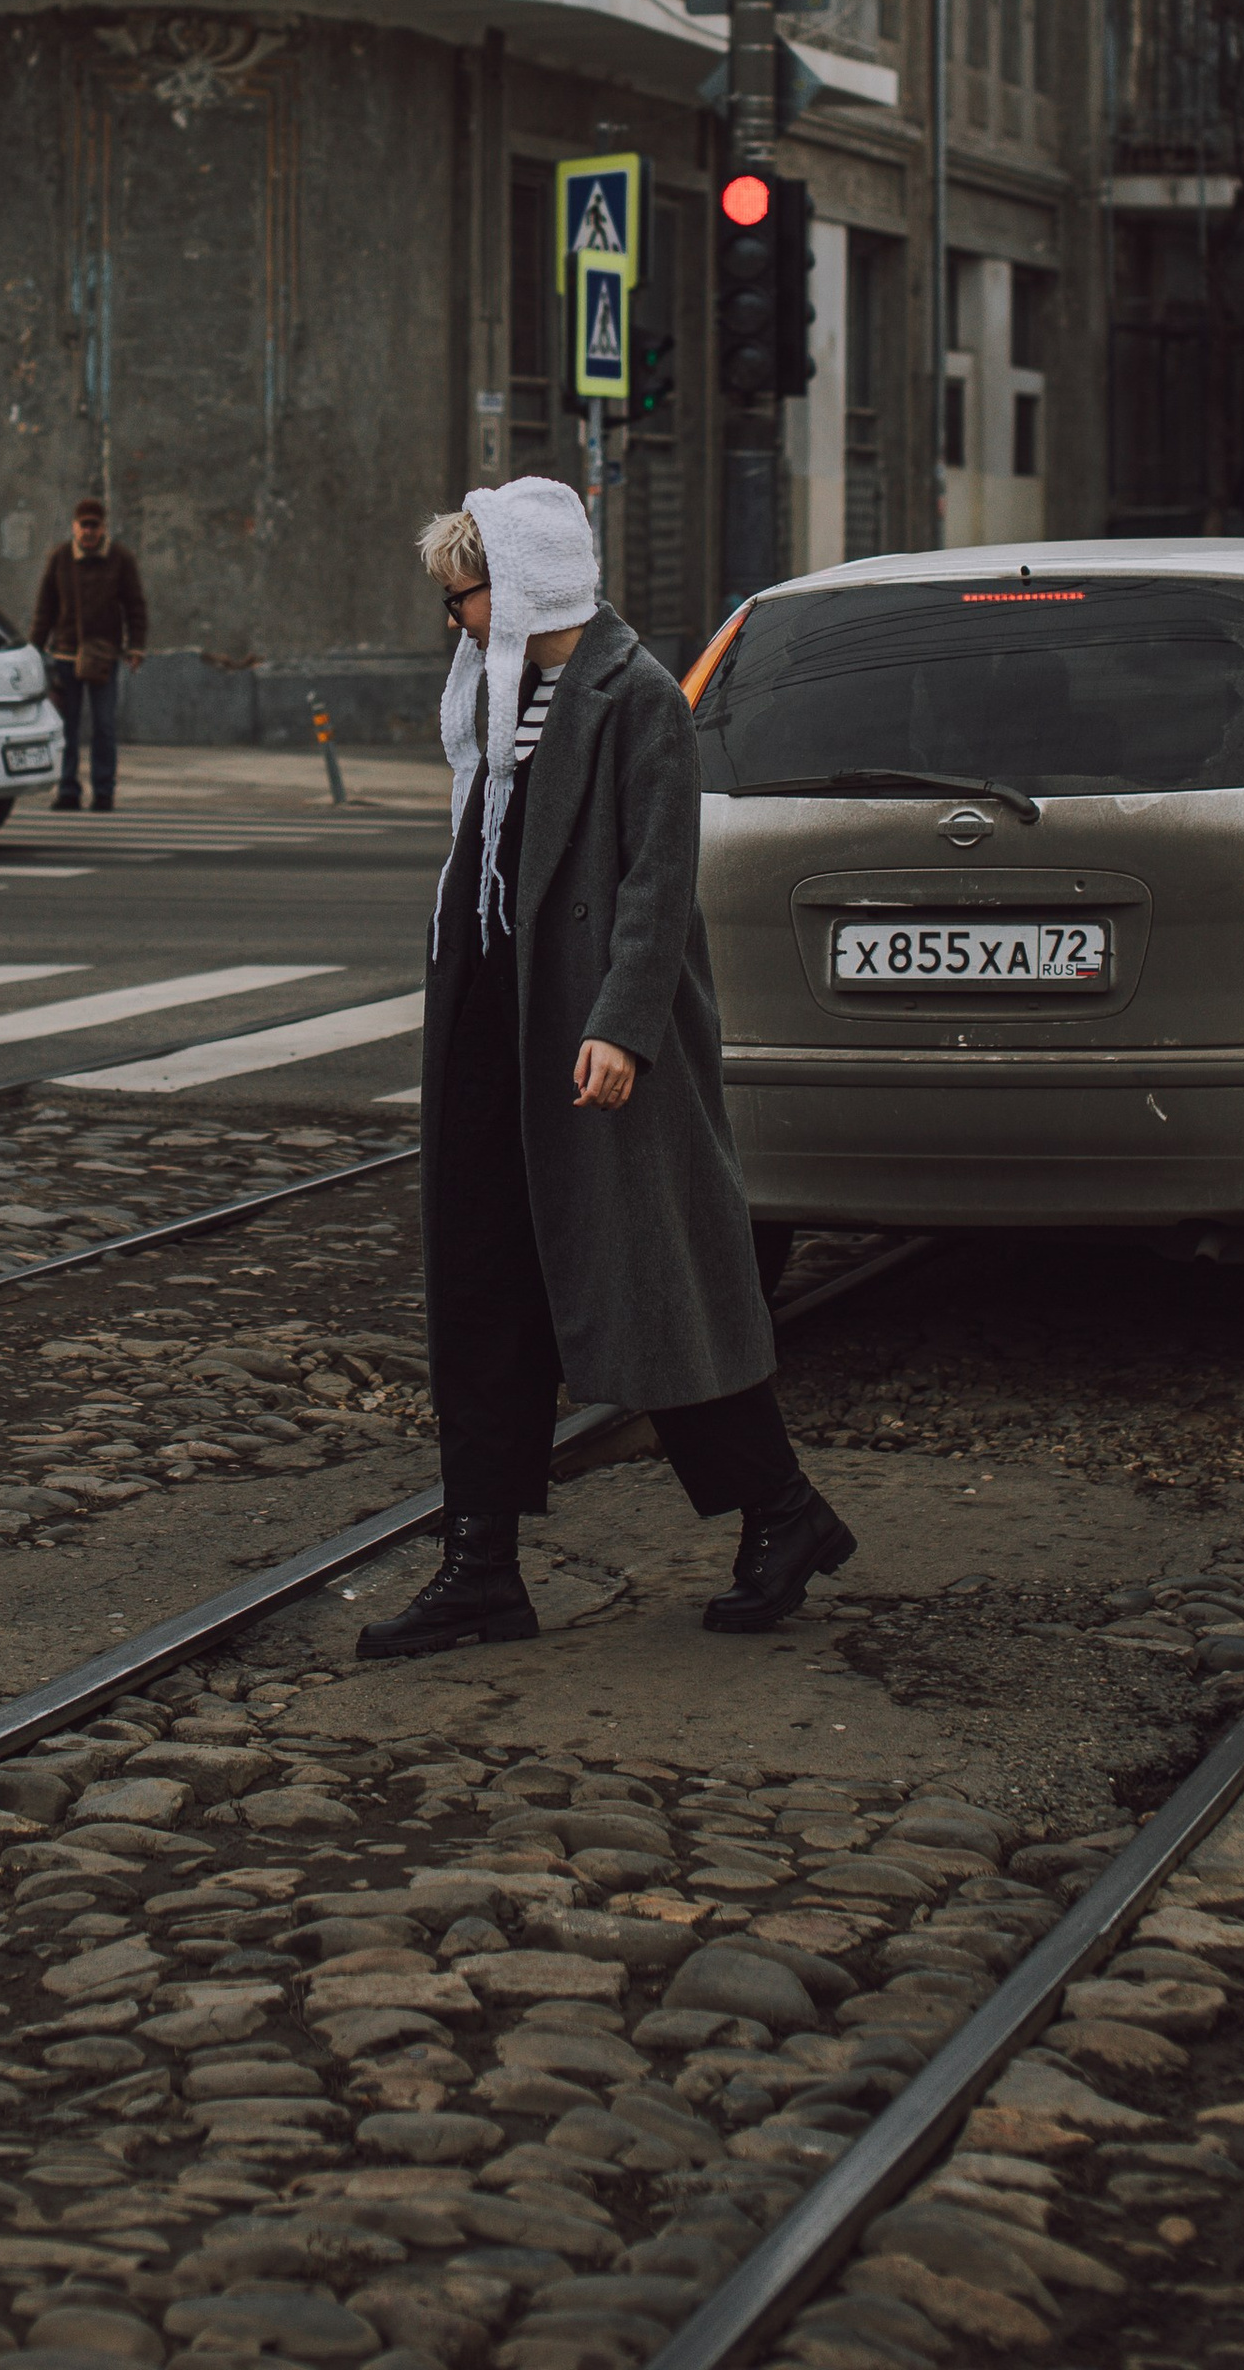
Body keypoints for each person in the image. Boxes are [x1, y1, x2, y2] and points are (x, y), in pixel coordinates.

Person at [359, 473, 854, 1658]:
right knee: (484, 1286)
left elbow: (655, 881)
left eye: (465, 595)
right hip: (492, 1022)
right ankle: (480, 1566)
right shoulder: (499, 688)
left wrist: (623, 1025)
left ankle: (782, 1511)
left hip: (590, 1036)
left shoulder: (635, 697)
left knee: (652, 1281)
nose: (454, 619)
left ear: (526, 585)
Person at [30, 495, 147, 814]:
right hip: (65, 656)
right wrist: (34, 650)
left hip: (103, 657)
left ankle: (104, 792)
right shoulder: (60, 558)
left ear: (103, 528)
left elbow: (135, 606)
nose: (89, 532)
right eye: (84, 526)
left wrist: (136, 646)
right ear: (75, 526)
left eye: (95, 526)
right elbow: (45, 608)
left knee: (104, 726)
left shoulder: (120, 558)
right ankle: (68, 790)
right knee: (67, 728)